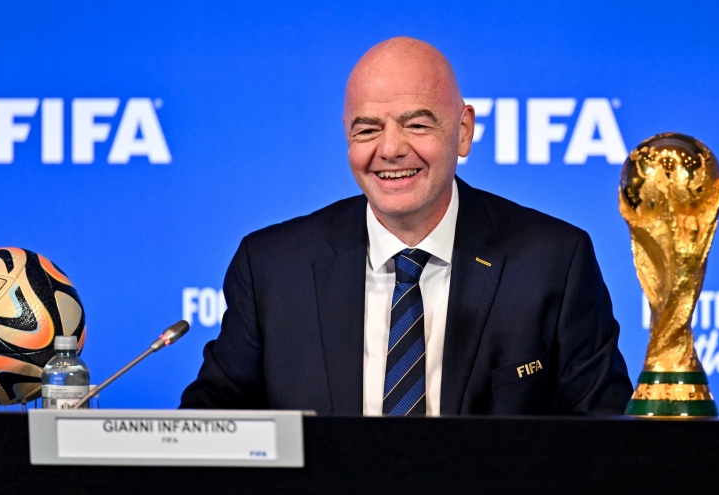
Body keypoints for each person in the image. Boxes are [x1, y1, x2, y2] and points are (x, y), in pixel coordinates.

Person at [180, 37, 632, 416]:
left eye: (416, 124)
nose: (390, 149)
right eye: (367, 130)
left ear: (463, 131)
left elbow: (605, 439)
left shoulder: (553, 262)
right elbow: (209, 425)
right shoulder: (271, 268)